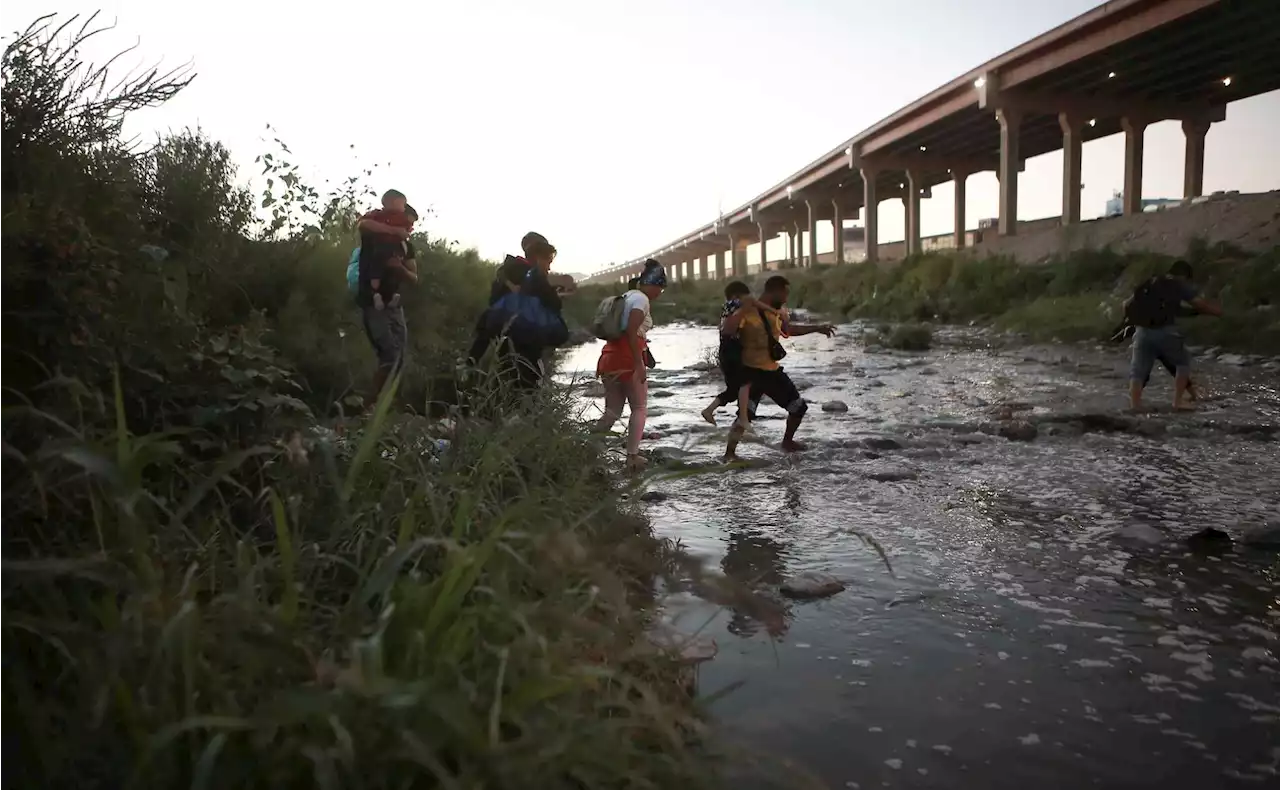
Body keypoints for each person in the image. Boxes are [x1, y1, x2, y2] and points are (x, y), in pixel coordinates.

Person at [724, 275, 835, 461]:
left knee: (798, 408)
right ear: (773, 291)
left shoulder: (776, 312)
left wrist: (817, 328)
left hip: (772, 372)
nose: (785, 298)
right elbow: (728, 330)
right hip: (751, 373)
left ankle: (787, 442)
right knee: (745, 416)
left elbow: (788, 331)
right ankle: (729, 453)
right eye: (784, 293)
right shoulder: (749, 311)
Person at [466, 231, 564, 399]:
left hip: (503, 337)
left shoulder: (506, 272)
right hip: (525, 340)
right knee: (527, 382)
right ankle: (520, 416)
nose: (549, 266)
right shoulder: (532, 275)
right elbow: (553, 305)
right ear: (538, 255)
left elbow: (493, 304)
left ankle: (495, 411)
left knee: (506, 374)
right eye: (547, 259)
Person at [595, 259, 666, 471]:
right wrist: (639, 363)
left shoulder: (626, 296)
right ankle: (632, 456)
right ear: (652, 284)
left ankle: (591, 447)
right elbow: (632, 330)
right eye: (660, 288)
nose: (660, 293)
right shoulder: (641, 300)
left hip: (609, 356)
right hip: (627, 358)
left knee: (612, 411)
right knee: (639, 407)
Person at [1124, 259, 1221, 412]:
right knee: (1182, 363)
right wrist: (1217, 313)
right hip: (1165, 332)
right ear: (1183, 276)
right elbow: (1198, 304)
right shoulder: (1177, 284)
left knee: (1138, 370)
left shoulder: (1151, 282)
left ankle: (1135, 405)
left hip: (1142, 332)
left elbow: (1126, 304)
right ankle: (1178, 401)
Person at [355, 191, 417, 403]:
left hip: (394, 303)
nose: (409, 228)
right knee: (389, 355)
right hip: (373, 302)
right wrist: (393, 230)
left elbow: (414, 276)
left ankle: (388, 405)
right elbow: (363, 224)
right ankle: (370, 405)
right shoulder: (375, 230)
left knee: (399, 355)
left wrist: (399, 268)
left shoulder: (407, 246)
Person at [700, 280, 782, 427]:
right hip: (734, 349)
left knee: (733, 391)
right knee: (746, 382)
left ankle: (709, 410)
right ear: (738, 295)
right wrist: (777, 312)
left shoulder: (727, 306)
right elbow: (758, 305)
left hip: (724, 350)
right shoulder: (741, 303)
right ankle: (743, 418)